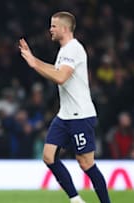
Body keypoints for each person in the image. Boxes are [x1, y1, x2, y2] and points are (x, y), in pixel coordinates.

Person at [19, 11, 111, 203]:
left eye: (53, 26)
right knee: (48, 156)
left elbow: (61, 77)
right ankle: (75, 199)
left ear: (64, 28)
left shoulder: (74, 49)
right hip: (65, 115)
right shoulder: (63, 50)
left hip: (80, 115)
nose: (50, 29)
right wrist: (33, 60)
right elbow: (56, 70)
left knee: (86, 163)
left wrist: (35, 64)